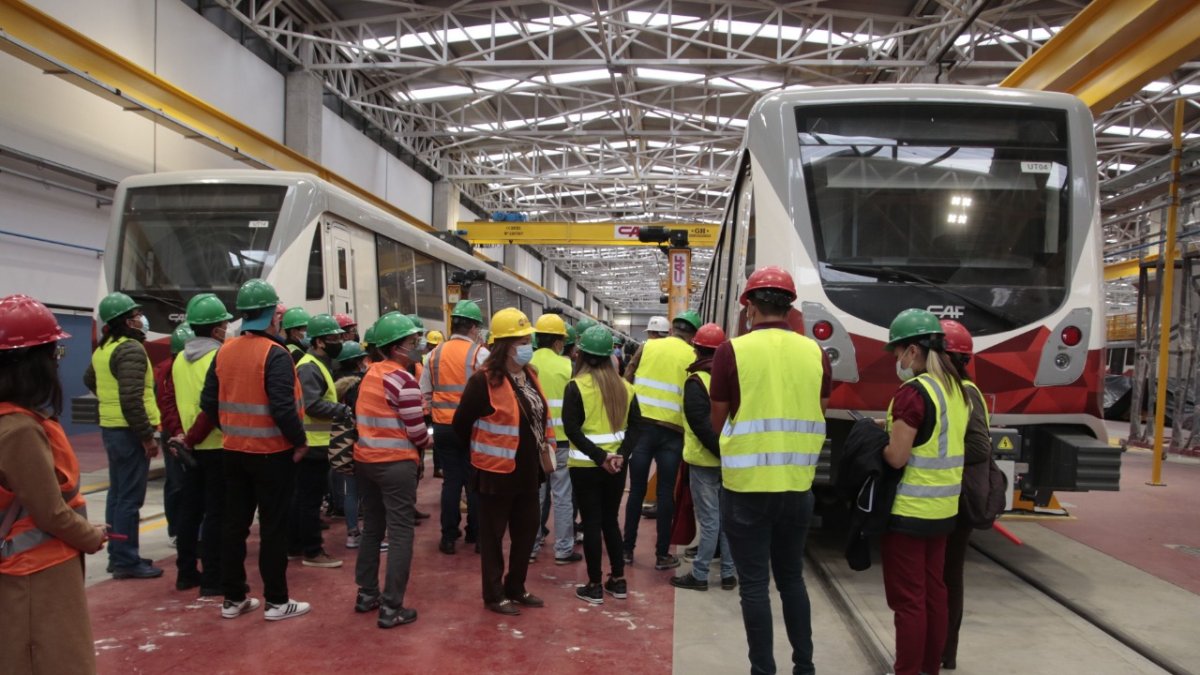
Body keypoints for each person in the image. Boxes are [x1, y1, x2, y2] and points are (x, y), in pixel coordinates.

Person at [710, 266, 830, 675]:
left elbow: (719, 419)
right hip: (797, 487)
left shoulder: (732, 351)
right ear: (789, 306)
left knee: (756, 587)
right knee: (792, 580)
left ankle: (764, 670)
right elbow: (819, 410)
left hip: (747, 488)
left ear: (749, 307)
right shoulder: (814, 352)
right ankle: (805, 667)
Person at [0, 294, 107, 674]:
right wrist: (90, 535)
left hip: (31, 571)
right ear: (30, 364)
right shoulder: (18, 431)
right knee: (51, 661)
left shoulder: (16, 421)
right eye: (52, 354)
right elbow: (49, 511)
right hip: (35, 576)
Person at [200, 279, 310, 622]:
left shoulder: (224, 350)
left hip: (233, 452)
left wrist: (233, 430)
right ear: (270, 317)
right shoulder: (274, 354)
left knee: (235, 525)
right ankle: (277, 601)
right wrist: (299, 441)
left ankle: (233, 598)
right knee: (273, 527)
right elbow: (282, 406)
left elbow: (208, 403)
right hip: (272, 453)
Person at [879, 309, 968, 675]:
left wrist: (877, 442)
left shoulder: (913, 393)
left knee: (909, 602)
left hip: (910, 511)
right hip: (944, 512)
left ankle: (907, 671)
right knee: (935, 594)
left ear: (912, 350)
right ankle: (929, 668)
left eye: (898, 352)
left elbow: (897, 457)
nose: (897, 361)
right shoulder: (956, 389)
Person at [453, 307, 552, 616]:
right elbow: (460, 424)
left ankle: (516, 587)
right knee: (493, 538)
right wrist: (481, 452)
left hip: (529, 472)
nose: (528, 346)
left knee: (527, 532)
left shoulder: (530, 375)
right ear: (507, 345)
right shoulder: (483, 381)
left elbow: (538, 416)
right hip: (496, 473)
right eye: (524, 340)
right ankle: (494, 594)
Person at [353, 313, 432, 628]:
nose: (417, 347)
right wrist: (428, 439)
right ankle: (391, 607)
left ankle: (366, 594)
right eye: (413, 342)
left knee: (373, 528)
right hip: (396, 465)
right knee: (400, 533)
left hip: (366, 462)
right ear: (397, 348)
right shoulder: (404, 380)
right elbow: (416, 433)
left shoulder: (369, 374)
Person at [84, 292, 163, 579]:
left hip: (111, 428)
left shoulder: (104, 349)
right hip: (129, 433)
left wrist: (108, 400)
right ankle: (127, 560)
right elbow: (132, 398)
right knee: (129, 499)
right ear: (124, 322)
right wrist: (147, 438)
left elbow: (89, 378)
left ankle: (118, 555)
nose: (140, 320)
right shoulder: (130, 349)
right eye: (134, 316)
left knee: (117, 495)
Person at [563, 325, 641, 604]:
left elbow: (571, 430)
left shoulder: (576, 387)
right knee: (610, 521)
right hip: (617, 469)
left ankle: (595, 585)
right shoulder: (626, 388)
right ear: (611, 356)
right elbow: (636, 428)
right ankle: (618, 580)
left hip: (585, 468)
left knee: (592, 523)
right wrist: (620, 455)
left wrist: (599, 457)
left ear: (581, 354)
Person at [621, 309, 701, 569]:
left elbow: (626, 380)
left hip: (642, 428)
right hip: (673, 433)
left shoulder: (647, 347)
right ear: (693, 335)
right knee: (666, 494)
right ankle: (662, 555)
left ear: (673, 329)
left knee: (637, 491)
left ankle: (626, 551)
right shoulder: (693, 355)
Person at [938, 319, 992, 672]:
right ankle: (943, 651)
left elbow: (978, 445)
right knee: (946, 574)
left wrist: (930, 451)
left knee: (949, 575)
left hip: (956, 497)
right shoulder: (957, 389)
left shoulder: (965, 393)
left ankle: (946, 651)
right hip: (950, 493)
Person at [172, 293, 232, 597]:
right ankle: (213, 578)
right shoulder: (219, 357)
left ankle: (185, 572)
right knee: (217, 514)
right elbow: (212, 408)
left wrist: (186, 438)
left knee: (190, 510)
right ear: (216, 328)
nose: (227, 327)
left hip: (190, 447)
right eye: (224, 323)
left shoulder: (179, 360)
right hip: (217, 445)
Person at [671, 322, 737, 592]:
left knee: (710, 521)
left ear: (696, 349)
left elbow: (701, 426)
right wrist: (730, 455)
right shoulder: (731, 378)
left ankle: (699, 575)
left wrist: (720, 453)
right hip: (729, 461)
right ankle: (729, 574)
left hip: (704, 462)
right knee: (726, 520)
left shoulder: (696, 381)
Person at [421, 300, 488, 555]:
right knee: (474, 480)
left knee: (451, 481)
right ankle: (476, 535)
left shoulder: (434, 354)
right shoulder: (480, 354)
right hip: (473, 428)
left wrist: (434, 416)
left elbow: (424, 392)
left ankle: (448, 537)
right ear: (472, 326)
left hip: (443, 428)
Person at [290, 314, 351, 568]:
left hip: (316, 441)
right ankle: (312, 551)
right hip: (312, 443)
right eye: (334, 338)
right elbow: (312, 404)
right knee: (309, 500)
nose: (339, 342)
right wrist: (341, 410)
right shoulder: (309, 366)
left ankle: (295, 546)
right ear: (319, 342)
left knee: (304, 497)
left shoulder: (316, 363)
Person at [529, 313, 580, 565]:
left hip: (533, 443)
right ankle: (563, 550)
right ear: (560, 341)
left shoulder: (527, 363)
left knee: (535, 496)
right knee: (562, 496)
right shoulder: (568, 366)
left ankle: (531, 547)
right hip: (561, 442)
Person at [156, 323, 194, 552]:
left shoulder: (163, 368)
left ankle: (180, 530)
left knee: (177, 483)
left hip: (176, 430)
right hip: (176, 431)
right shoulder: (170, 370)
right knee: (178, 483)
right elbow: (167, 403)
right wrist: (178, 432)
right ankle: (178, 531)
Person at [332, 341, 368, 548]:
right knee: (368, 490)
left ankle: (352, 533)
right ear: (358, 361)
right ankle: (372, 533)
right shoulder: (362, 382)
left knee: (350, 491)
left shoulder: (333, 383)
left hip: (341, 442)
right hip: (362, 440)